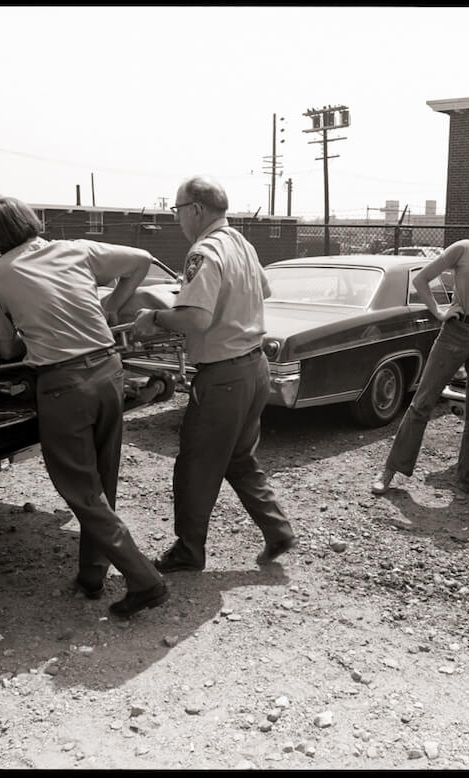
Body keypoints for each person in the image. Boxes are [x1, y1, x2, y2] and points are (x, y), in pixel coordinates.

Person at [0, 196, 169, 619]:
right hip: (109, 370)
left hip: (65, 384)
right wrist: (112, 305)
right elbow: (142, 259)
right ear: (31, 222)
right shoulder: (75, 249)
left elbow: (5, 347)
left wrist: (25, 330)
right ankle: (92, 576)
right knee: (102, 480)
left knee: (81, 490)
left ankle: (144, 580)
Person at [132, 175, 297, 572]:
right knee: (238, 458)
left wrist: (153, 317)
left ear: (197, 209)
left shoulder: (203, 252)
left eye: (177, 210)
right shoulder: (240, 242)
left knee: (195, 463)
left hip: (223, 376)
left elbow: (197, 320)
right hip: (254, 367)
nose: (177, 219)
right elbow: (264, 291)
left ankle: (189, 550)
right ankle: (278, 530)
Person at [371, 195, 469, 498]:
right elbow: (422, 280)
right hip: (455, 333)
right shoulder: (462, 249)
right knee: (422, 403)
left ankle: (468, 478)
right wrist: (440, 312)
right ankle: (389, 471)